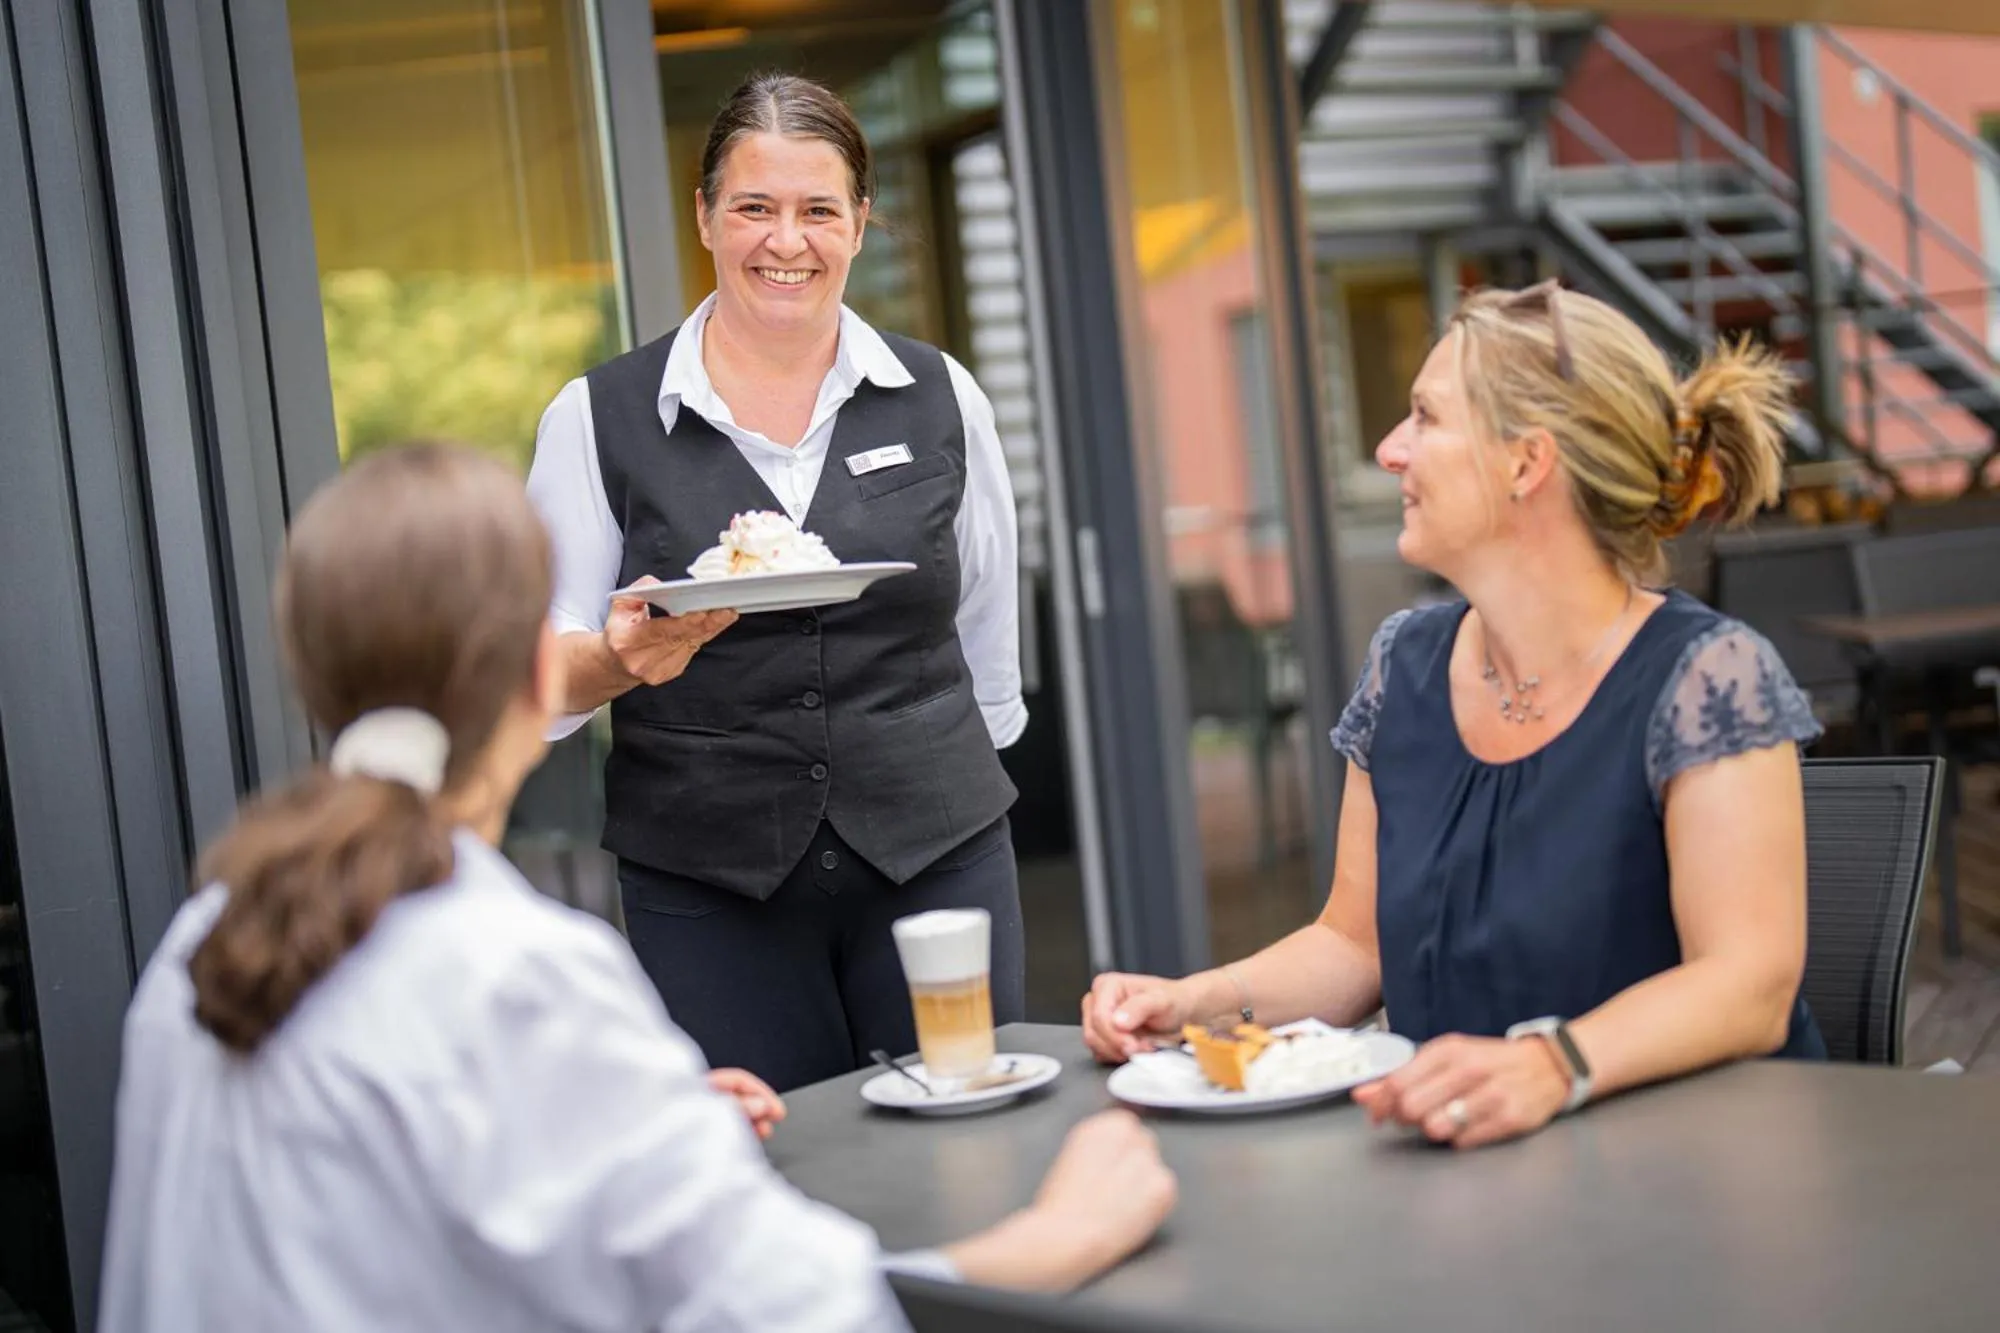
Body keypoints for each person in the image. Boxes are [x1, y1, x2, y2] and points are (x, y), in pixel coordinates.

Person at [97, 444, 1174, 1333]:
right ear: (535, 670)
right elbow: (803, 1319)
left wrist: (623, 1120)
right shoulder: (517, 977)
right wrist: (1066, 1234)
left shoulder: (209, 938)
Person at [1083, 282, 1828, 1148]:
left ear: (1526, 462)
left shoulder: (1708, 676)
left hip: (1701, 1166)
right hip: (1470, 1157)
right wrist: (1192, 1002)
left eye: (1426, 418)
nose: (1390, 449)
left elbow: (1749, 984)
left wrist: (1554, 1065)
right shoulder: (1403, 665)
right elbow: (1353, 945)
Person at [527, 74, 1025, 1093]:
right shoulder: (595, 416)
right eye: (754, 207)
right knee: (766, 1170)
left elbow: (983, 626)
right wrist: (619, 660)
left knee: (969, 1140)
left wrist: (933, 776)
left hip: (936, 856)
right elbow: (531, 678)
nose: (784, 241)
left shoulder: (942, 397)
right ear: (705, 215)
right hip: (707, 884)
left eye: (817, 211)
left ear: (859, 224)